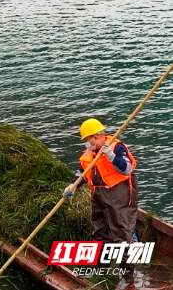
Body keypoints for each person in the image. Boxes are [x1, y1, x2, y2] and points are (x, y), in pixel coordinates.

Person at [63, 118, 138, 290]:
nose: (86, 144)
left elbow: (127, 169)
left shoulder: (116, 147)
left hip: (119, 195)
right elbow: (83, 171)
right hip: (98, 195)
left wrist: (111, 156)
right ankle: (99, 268)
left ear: (97, 136)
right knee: (100, 233)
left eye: (87, 140)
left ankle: (127, 279)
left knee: (121, 236)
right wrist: (72, 185)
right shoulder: (90, 152)